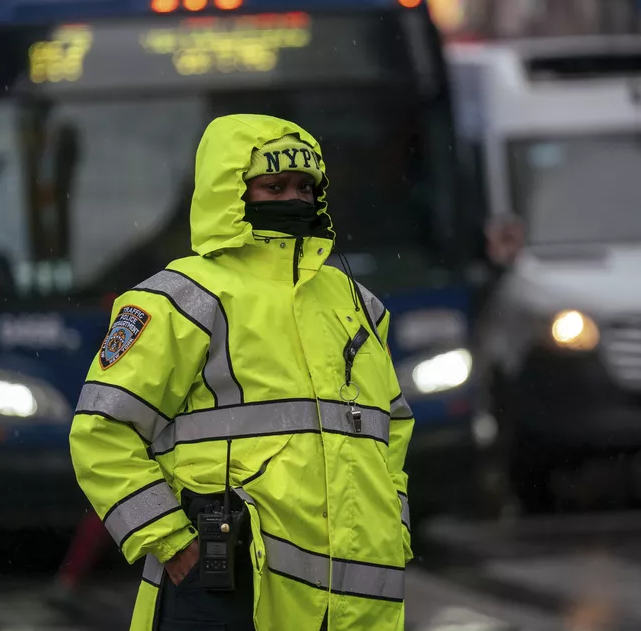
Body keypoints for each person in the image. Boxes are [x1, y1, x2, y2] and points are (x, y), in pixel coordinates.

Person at [70, 115, 414, 631]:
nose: (294, 199)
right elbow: (101, 431)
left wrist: (395, 527)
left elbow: (392, 430)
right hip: (226, 594)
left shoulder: (358, 304)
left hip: (354, 606)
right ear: (229, 192)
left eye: (304, 186)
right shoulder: (180, 299)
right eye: (273, 186)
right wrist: (171, 543)